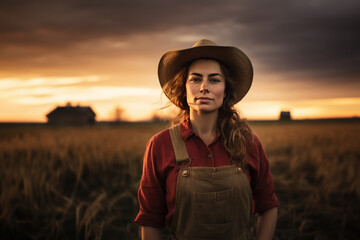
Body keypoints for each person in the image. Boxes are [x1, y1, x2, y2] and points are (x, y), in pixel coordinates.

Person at [135, 39, 279, 240]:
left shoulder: (248, 142)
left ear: (226, 90)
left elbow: (268, 206)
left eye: (214, 79)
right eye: (195, 79)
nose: (204, 87)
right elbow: (150, 221)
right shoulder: (160, 145)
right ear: (183, 89)